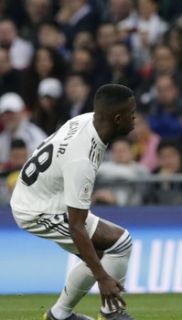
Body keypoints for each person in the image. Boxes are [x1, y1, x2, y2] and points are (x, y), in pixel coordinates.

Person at [10, 84, 136, 320]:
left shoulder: (88, 120)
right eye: (132, 113)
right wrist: (103, 278)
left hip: (43, 192)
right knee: (114, 247)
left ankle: (60, 315)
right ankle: (110, 313)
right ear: (117, 119)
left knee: (108, 250)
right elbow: (76, 227)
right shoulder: (82, 160)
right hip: (38, 210)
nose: (135, 118)